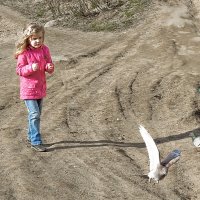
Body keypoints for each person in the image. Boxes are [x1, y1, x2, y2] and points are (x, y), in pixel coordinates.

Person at [15, 22, 54, 152]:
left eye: (40, 38)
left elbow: (49, 64)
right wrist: (30, 67)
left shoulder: (45, 50)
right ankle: (36, 141)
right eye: (34, 38)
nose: (37, 41)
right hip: (28, 89)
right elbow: (19, 70)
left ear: (43, 37)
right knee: (35, 114)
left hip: (40, 88)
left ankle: (30, 136)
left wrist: (49, 67)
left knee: (36, 115)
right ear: (28, 38)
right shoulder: (24, 53)